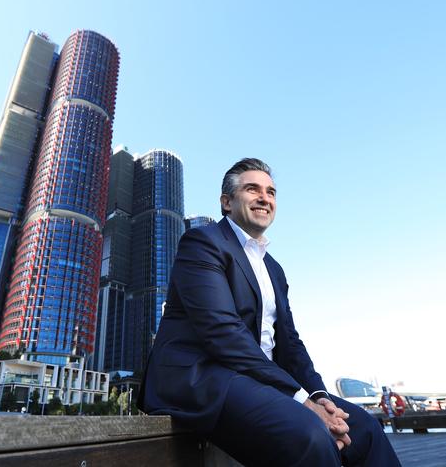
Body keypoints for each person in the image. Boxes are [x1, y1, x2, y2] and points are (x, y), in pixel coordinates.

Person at [138, 158, 400, 466]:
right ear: (226, 202)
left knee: (365, 429)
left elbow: (290, 343)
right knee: (309, 434)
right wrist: (302, 401)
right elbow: (222, 333)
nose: (265, 198)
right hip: (205, 377)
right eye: (252, 189)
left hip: (262, 383)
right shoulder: (202, 243)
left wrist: (320, 397)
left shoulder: (273, 268)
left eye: (271, 192)